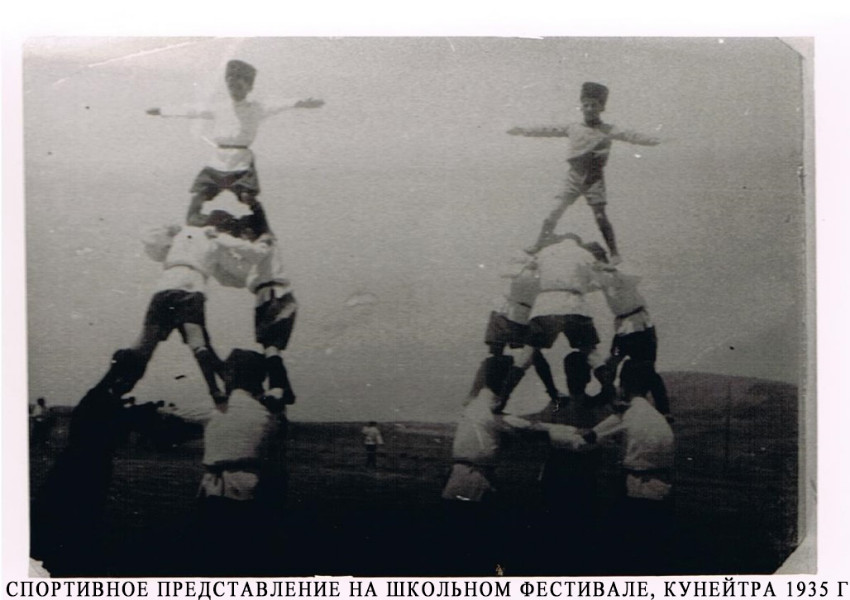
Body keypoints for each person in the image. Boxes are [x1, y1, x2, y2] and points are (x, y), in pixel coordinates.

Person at [105, 209, 269, 407]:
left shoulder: (183, 232)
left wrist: (169, 229)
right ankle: (214, 390)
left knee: (144, 345)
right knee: (197, 342)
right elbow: (237, 276)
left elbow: (151, 242)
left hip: (166, 285)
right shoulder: (216, 239)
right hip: (192, 286)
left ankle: (112, 385)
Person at [146, 59, 324, 225]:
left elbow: (282, 104)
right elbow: (191, 110)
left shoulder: (257, 108)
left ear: (249, 87)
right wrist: (162, 110)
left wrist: (302, 103)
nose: (235, 88)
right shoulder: (219, 107)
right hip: (218, 159)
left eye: (239, 84)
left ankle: (260, 227)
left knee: (247, 195)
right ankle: (193, 220)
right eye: (231, 84)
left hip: (241, 160)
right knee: (200, 192)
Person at [508, 82, 662, 263]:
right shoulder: (573, 127)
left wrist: (655, 140)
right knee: (554, 211)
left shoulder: (609, 130)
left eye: (594, 105)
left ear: (602, 107)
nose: (589, 109)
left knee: (600, 215)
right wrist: (522, 130)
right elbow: (548, 129)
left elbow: (631, 135)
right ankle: (539, 243)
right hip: (574, 177)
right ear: (581, 106)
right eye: (586, 105)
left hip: (594, 179)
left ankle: (614, 253)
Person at [484, 235, 607, 412]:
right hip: (568, 305)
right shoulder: (581, 255)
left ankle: (502, 399)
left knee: (528, 355)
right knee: (591, 353)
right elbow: (597, 282)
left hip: (543, 307)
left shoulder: (544, 255)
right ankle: (612, 396)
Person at [195, 348, 287, 574]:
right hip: (256, 489)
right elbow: (281, 388)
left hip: (217, 491)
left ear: (231, 375)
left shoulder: (217, 409)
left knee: (215, 560)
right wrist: (273, 354)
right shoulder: (271, 408)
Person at [580, 359, 676, 574]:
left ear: (623, 386)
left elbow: (587, 439)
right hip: (663, 494)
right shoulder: (657, 417)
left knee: (622, 557)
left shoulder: (626, 415)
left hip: (636, 493)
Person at [210, 200, 299, 409]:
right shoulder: (253, 263)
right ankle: (283, 389)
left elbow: (259, 225)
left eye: (242, 235)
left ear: (249, 231)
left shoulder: (266, 242)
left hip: (277, 294)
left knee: (271, 347)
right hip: (264, 298)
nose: (240, 240)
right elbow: (231, 277)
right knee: (270, 348)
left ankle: (279, 388)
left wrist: (252, 202)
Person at [592, 258, 671, 417]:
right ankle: (609, 394)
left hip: (641, 325)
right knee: (610, 364)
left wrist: (610, 268)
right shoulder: (598, 276)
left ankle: (664, 410)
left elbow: (636, 276)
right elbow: (583, 285)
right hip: (623, 329)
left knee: (647, 367)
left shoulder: (620, 270)